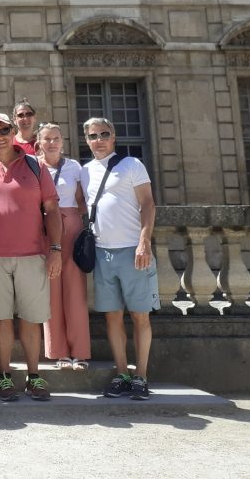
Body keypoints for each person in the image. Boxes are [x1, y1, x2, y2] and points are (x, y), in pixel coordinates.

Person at [0, 112, 63, 403]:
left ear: (13, 132)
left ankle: (34, 374)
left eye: (4, 130)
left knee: (30, 320)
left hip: (32, 254)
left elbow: (51, 210)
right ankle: (4, 375)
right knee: (0, 320)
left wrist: (56, 250)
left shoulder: (36, 167)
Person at [80, 118, 158, 401]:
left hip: (132, 250)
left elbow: (148, 203)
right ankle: (123, 373)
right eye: (92, 136)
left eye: (104, 134)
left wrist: (144, 241)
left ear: (113, 137)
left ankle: (142, 376)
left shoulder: (131, 165)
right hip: (102, 253)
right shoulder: (85, 171)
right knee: (112, 316)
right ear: (86, 140)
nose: (98, 139)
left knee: (140, 316)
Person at [37, 123, 90, 370]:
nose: (52, 143)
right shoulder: (33, 165)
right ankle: (58, 352)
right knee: (51, 292)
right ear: (39, 142)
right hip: (44, 228)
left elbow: (81, 201)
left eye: (56, 138)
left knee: (75, 292)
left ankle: (79, 351)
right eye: (47, 139)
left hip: (73, 228)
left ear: (62, 141)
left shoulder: (74, 168)